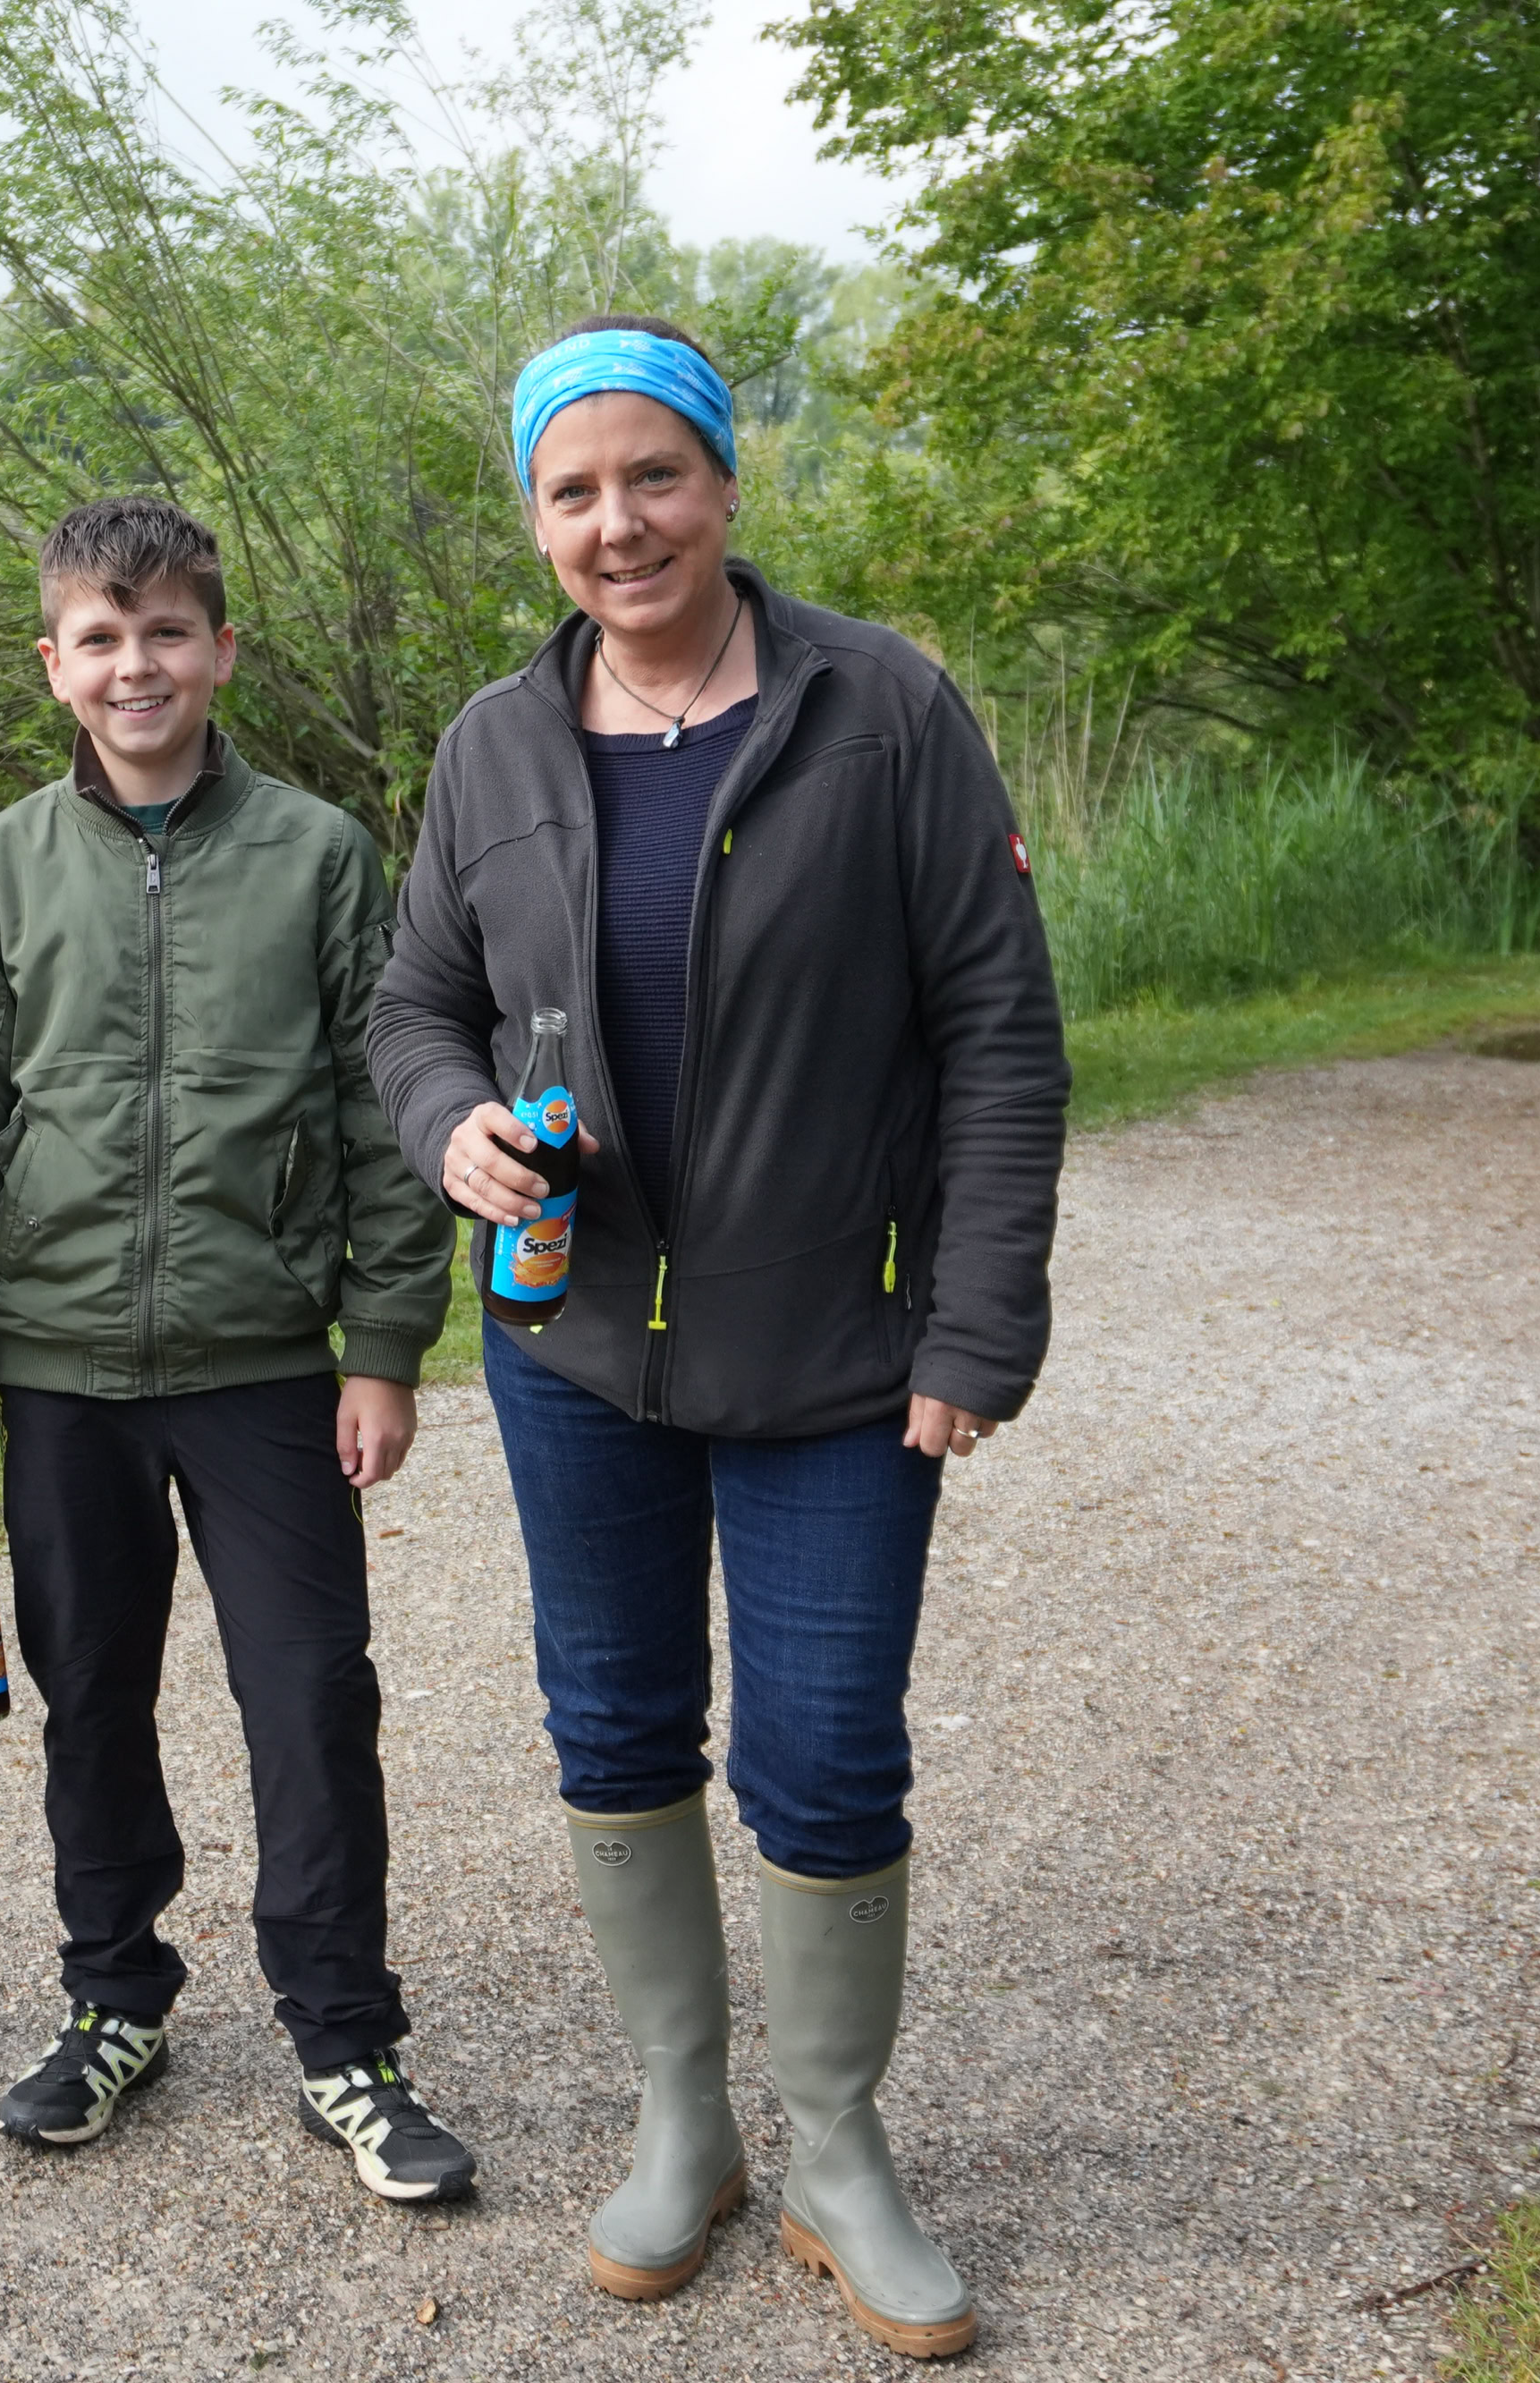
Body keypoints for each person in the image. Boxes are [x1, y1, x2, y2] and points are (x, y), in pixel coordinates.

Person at [365, 318, 1069, 2359]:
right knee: (614, 1731)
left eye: (652, 475)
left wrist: (977, 1319)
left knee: (827, 1754)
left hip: (839, 1353)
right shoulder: (493, 744)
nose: (619, 523)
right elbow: (415, 1005)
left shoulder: (882, 709)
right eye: (573, 490)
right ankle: (686, 2119)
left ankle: (837, 2149)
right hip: (572, 1344)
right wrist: (449, 1123)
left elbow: (999, 1031)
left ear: (723, 485)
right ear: (536, 519)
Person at [0, 496, 473, 2201]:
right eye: (101, 636)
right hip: (56, 1369)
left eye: (166, 632)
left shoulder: (319, 854)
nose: (135, 664)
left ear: (221, 648)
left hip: (266, 1364)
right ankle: (114, 1994)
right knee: (90, 1695)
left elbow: (383, 1113)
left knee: (311, 1692)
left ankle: (346, 2034)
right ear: (53, 664)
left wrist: (384, 1342)